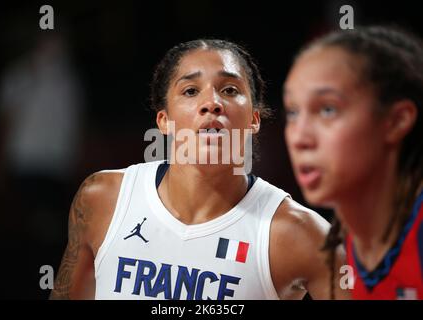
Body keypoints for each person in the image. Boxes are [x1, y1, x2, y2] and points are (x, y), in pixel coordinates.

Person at [50, 39, 347, 300]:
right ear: (164, 121)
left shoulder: (301, 235)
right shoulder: (103, 199)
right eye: (191, 91)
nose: (212, 103)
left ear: (254, 119)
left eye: (229, 89)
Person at [283, 26, 423, 299]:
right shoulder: (349, 238)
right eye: (293, 111)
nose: (299, 137)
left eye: (327, 109)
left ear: (396, 121)